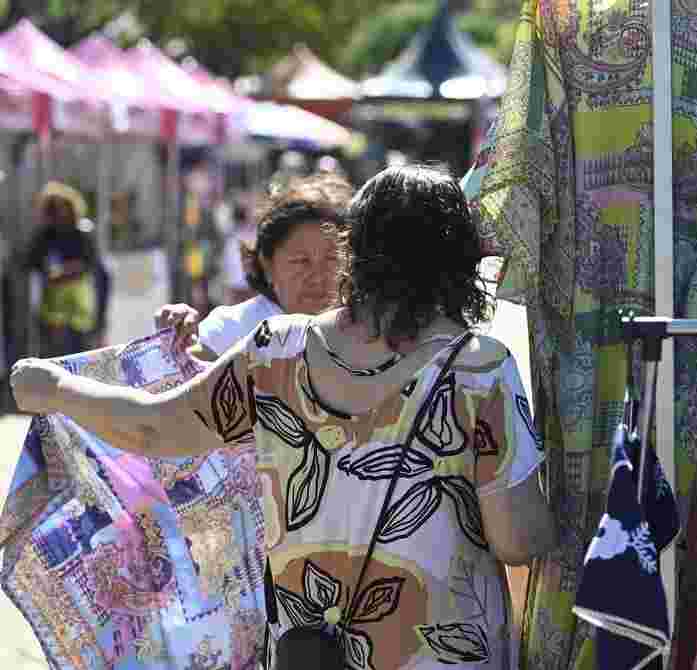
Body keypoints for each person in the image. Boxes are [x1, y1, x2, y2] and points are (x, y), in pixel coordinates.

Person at [12, 164, 557, 670]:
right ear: (459, 263)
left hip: (311, 654)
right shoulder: (481, 369)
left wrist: (58, 388)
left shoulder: (277, 350)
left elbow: (153, 426)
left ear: (355, 250)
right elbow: (518, 540)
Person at [155, 172, 354, 359]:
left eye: (332, 258)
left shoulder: (367, 331)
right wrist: (175, 347)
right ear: (267, 265)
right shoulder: (231, 332)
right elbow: (168, 381)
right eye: (301, 261)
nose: (318, 276)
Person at [24, 182, 110, 357]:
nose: (58, 213)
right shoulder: (44, 236)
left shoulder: (83, 233)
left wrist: (70, 270)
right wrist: (51, 273)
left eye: (61, 207)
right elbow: (32, 263)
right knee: (53, 359)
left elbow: (94, 267)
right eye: (52, 208)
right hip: (52, 313)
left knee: (80, 357)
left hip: (79, 311)